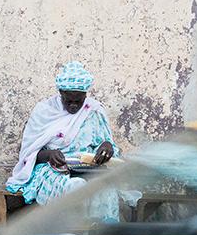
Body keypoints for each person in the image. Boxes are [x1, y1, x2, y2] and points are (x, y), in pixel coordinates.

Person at [6, 61, 120, 221]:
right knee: (75, 187)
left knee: (105, 189)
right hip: (53, 169)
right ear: (61, 93)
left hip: (89, 169)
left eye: (78, 101)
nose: (73, 106)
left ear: (85, 96)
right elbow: (28, 154)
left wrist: (107, 146)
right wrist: (49, 155)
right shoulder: (44, 111)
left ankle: (102, 233)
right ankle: (72, 233)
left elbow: (107, 145)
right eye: (68, 101)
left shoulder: (93, 111)